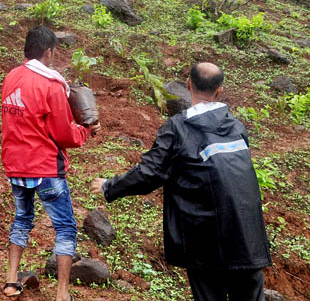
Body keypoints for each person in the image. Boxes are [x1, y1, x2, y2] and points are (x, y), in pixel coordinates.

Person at [92, 63, 271, 301]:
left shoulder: (178, 128)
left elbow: (150, 173)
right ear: (219, 91)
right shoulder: (237, 128)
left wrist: (109, 185)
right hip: (248, 238)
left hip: (206, 242)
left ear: (188, 85)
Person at [1, 26, 99, 301]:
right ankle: (61, 294)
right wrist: (86, 131)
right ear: (48, 52)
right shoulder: (51, 85)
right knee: (65, 228)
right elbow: (63, 135)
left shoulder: (11, 77)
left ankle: (11, 281)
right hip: (45, 169)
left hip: (16, 166)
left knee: (22, 219)